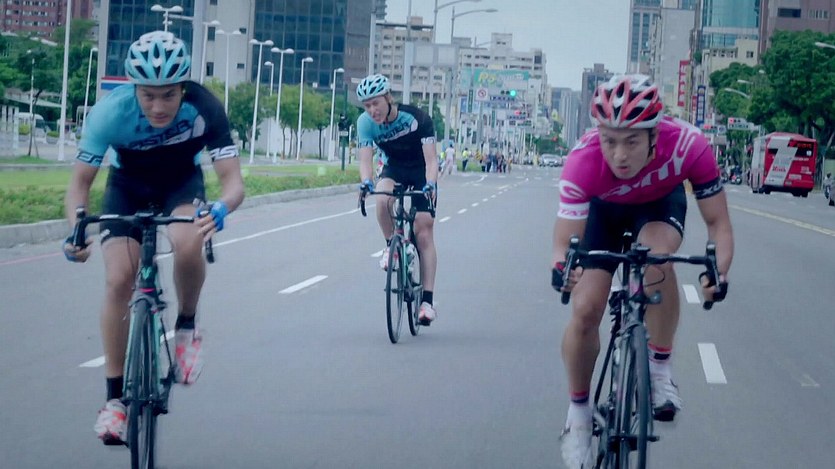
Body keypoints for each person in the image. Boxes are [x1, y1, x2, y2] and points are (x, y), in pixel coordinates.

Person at [62, 31, 245, 445]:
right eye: (148, 96)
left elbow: (233, 183)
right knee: (118, 279)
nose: (158, 107)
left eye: (168, 95)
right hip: (127, 186)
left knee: (188, 240)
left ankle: (186, 327)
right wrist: (76, 226)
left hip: (181, 184)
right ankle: (114, 402)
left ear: (183, 88)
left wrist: (220, 208)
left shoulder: (205, 107)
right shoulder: (110, 113)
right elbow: (79, 185)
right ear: (134, 89)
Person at [550, 75, 733, 468]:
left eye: (631, 142)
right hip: (602, 213)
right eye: (609, 140)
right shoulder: (583, 161)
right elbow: (565, 243)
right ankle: (578, 417)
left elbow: (718, 224)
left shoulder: (688, 146)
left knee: (655, 258)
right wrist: (564, 269)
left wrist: (718, 274)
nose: (619, 155)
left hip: (658, 205)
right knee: (586, 309)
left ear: (654, 135)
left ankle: (660, 371)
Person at [355, 74, 440, 325]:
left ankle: (427, 302)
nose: (372, 110)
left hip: (421, 170)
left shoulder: (417, 118)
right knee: (382, 199)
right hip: (395, 169)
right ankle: (391, 246)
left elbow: (432, 160)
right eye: (367, 106)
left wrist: (431, 184)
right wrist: (366, 182)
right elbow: (365, 160)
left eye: (376, 103)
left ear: (388, 98)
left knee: (423, 231)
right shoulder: (365, 123)